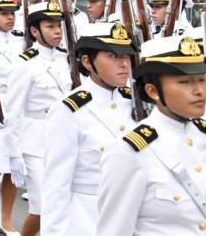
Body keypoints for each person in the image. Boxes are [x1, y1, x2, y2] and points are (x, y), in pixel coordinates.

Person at [97, 35, 206, 235]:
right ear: (153, 91)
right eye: (185, 82)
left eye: (202, 80)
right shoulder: (128, 152)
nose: (199, 91)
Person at [40, 22, 137, 236]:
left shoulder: (136, 103)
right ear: (87, 62)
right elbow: (56, 185)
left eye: (126, 56)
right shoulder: (68, 110)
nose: (123, 64)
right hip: (87, 219)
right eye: (113, 56)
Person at [5, 0, 73, 236]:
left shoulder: (66, 59)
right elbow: (12, 112)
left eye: (59, 26)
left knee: (62, 207)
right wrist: (14, 155)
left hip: (64, 140)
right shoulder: (25, 64)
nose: (57, 31)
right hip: (35, 144)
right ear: (35, 31)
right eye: (50, 26)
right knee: (44, 206)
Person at [0, 0, 25, 235]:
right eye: (4, 14)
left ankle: (5, 217)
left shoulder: (22, 41)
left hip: (16, 109)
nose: (10, 18)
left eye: (12, 13)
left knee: (11, 167)